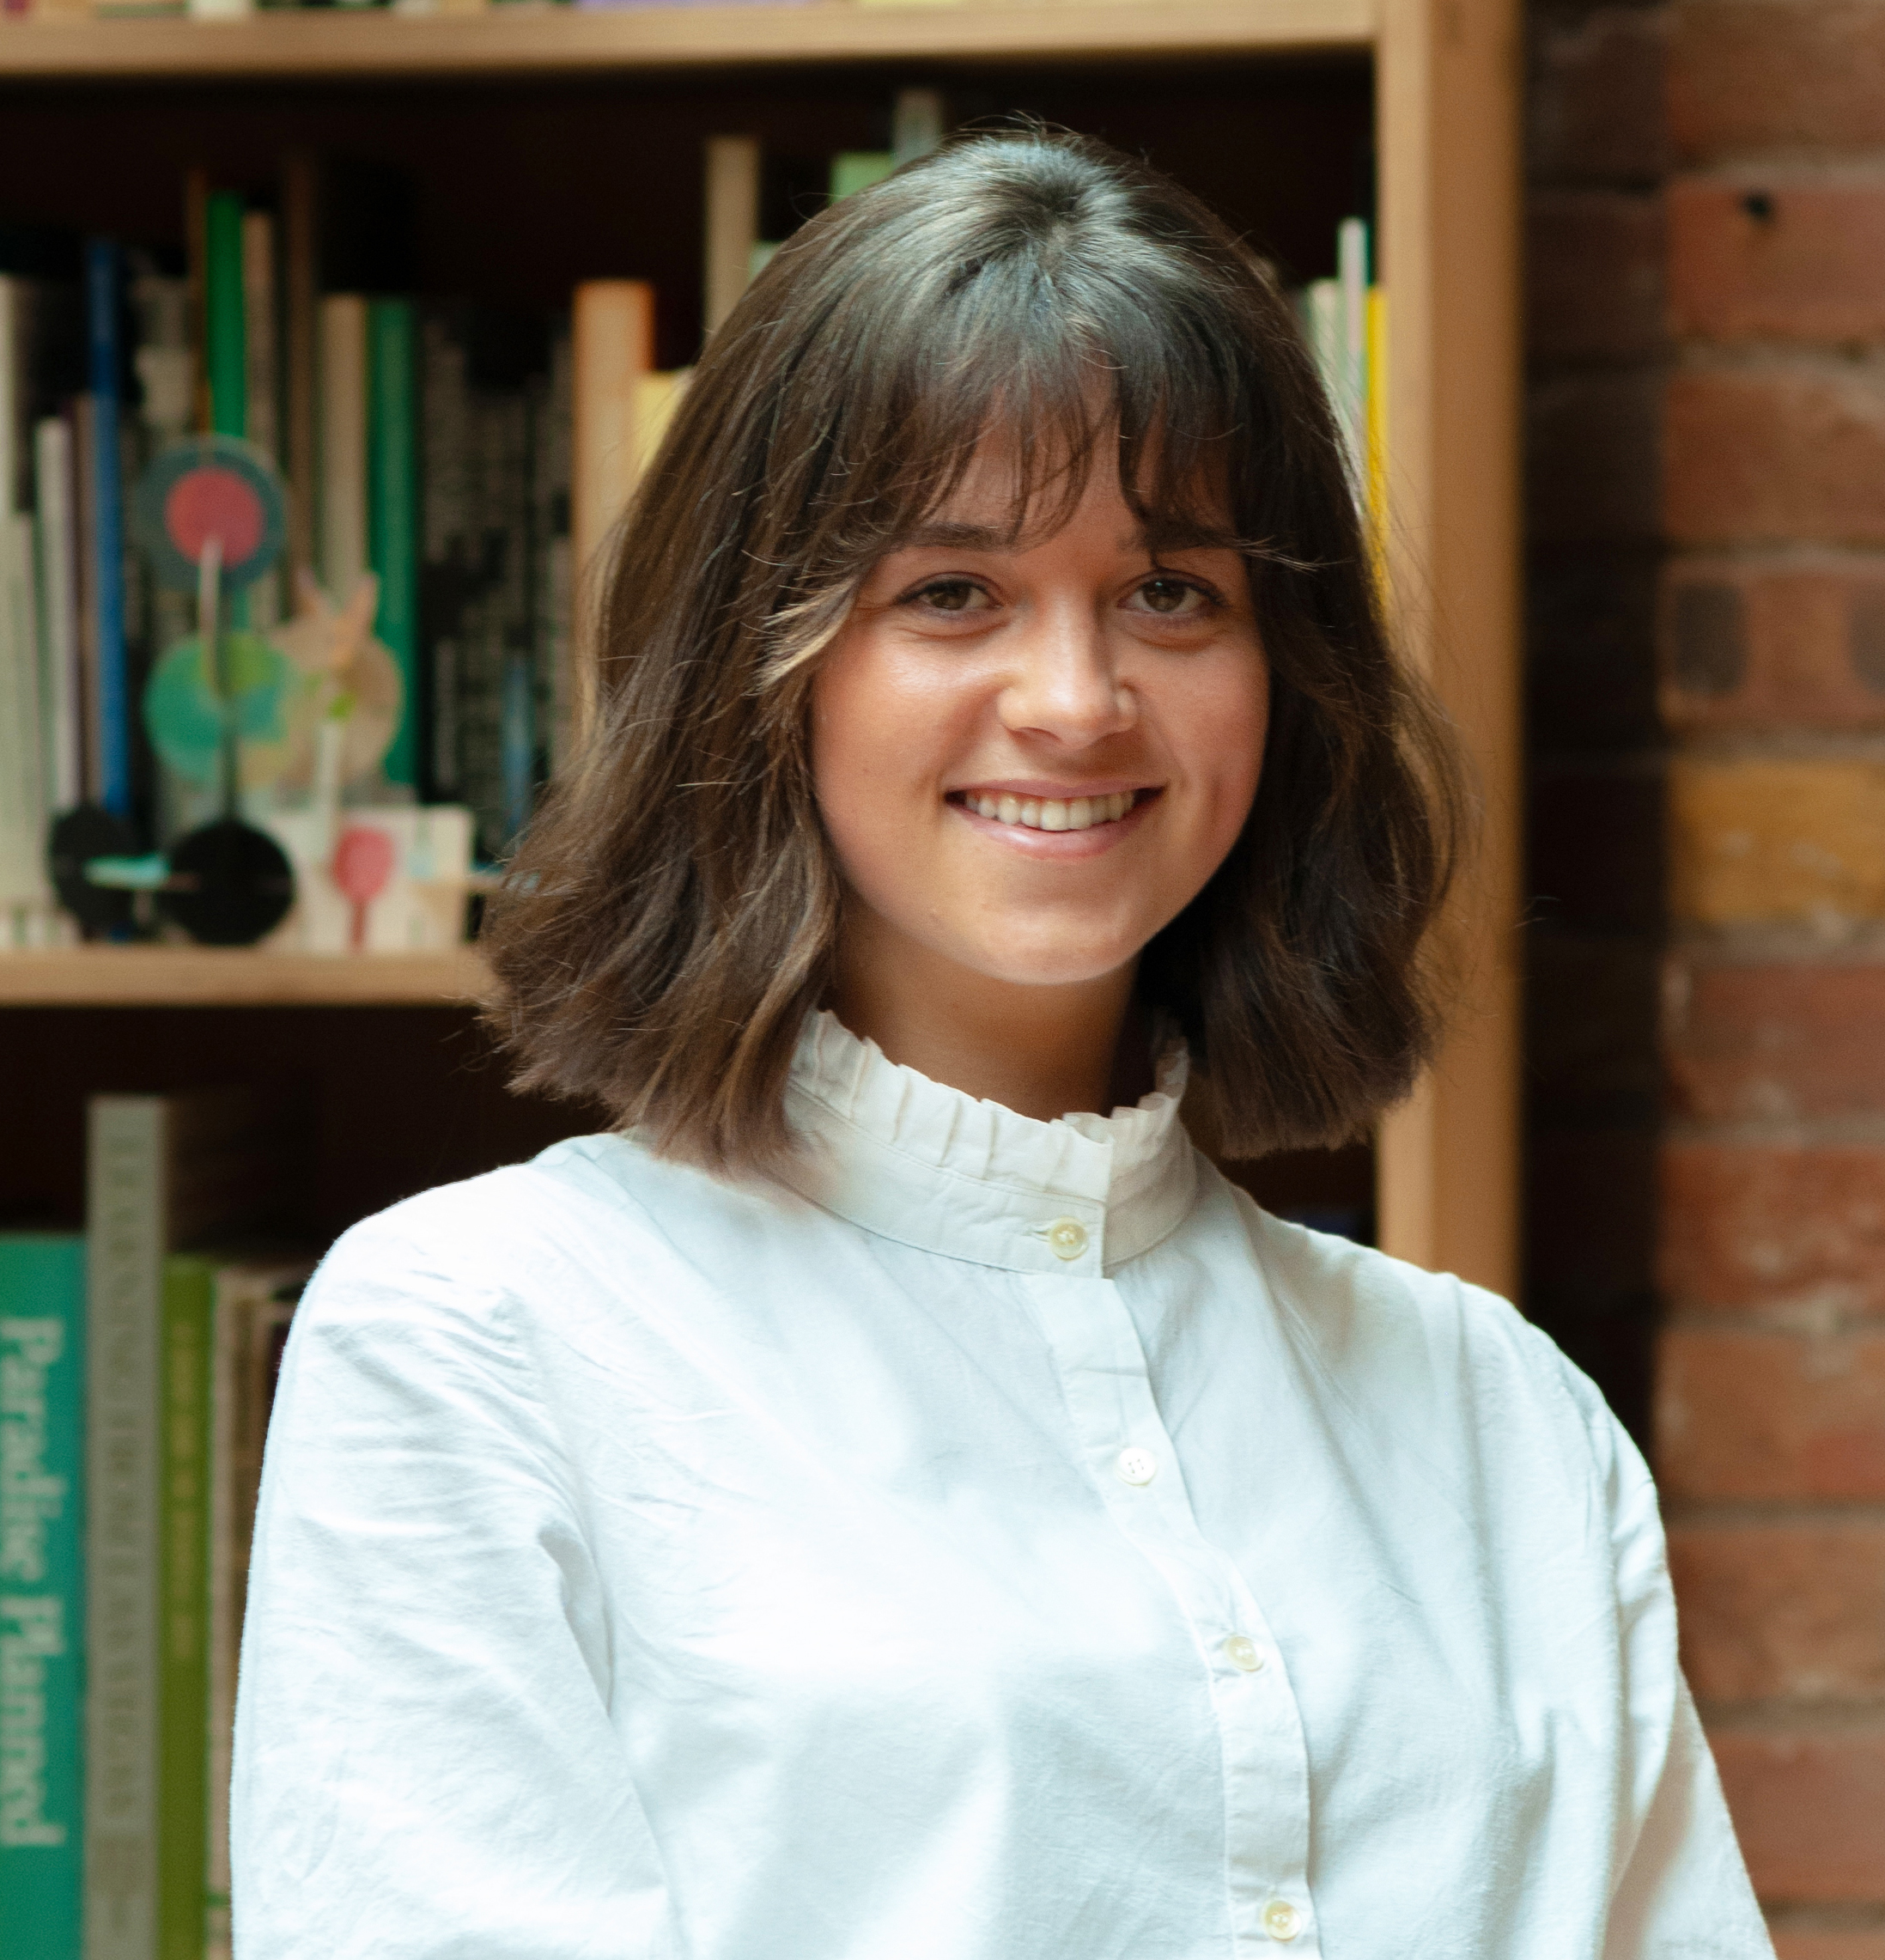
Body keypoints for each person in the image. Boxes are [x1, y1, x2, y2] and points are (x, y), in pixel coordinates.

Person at [231, 130, 1772, 1960]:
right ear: (764, 662)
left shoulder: (1501, 1420)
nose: (1073, 699)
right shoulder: (483, 1343)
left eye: (1170, 591)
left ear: (1285, 674)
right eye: (949, 592)